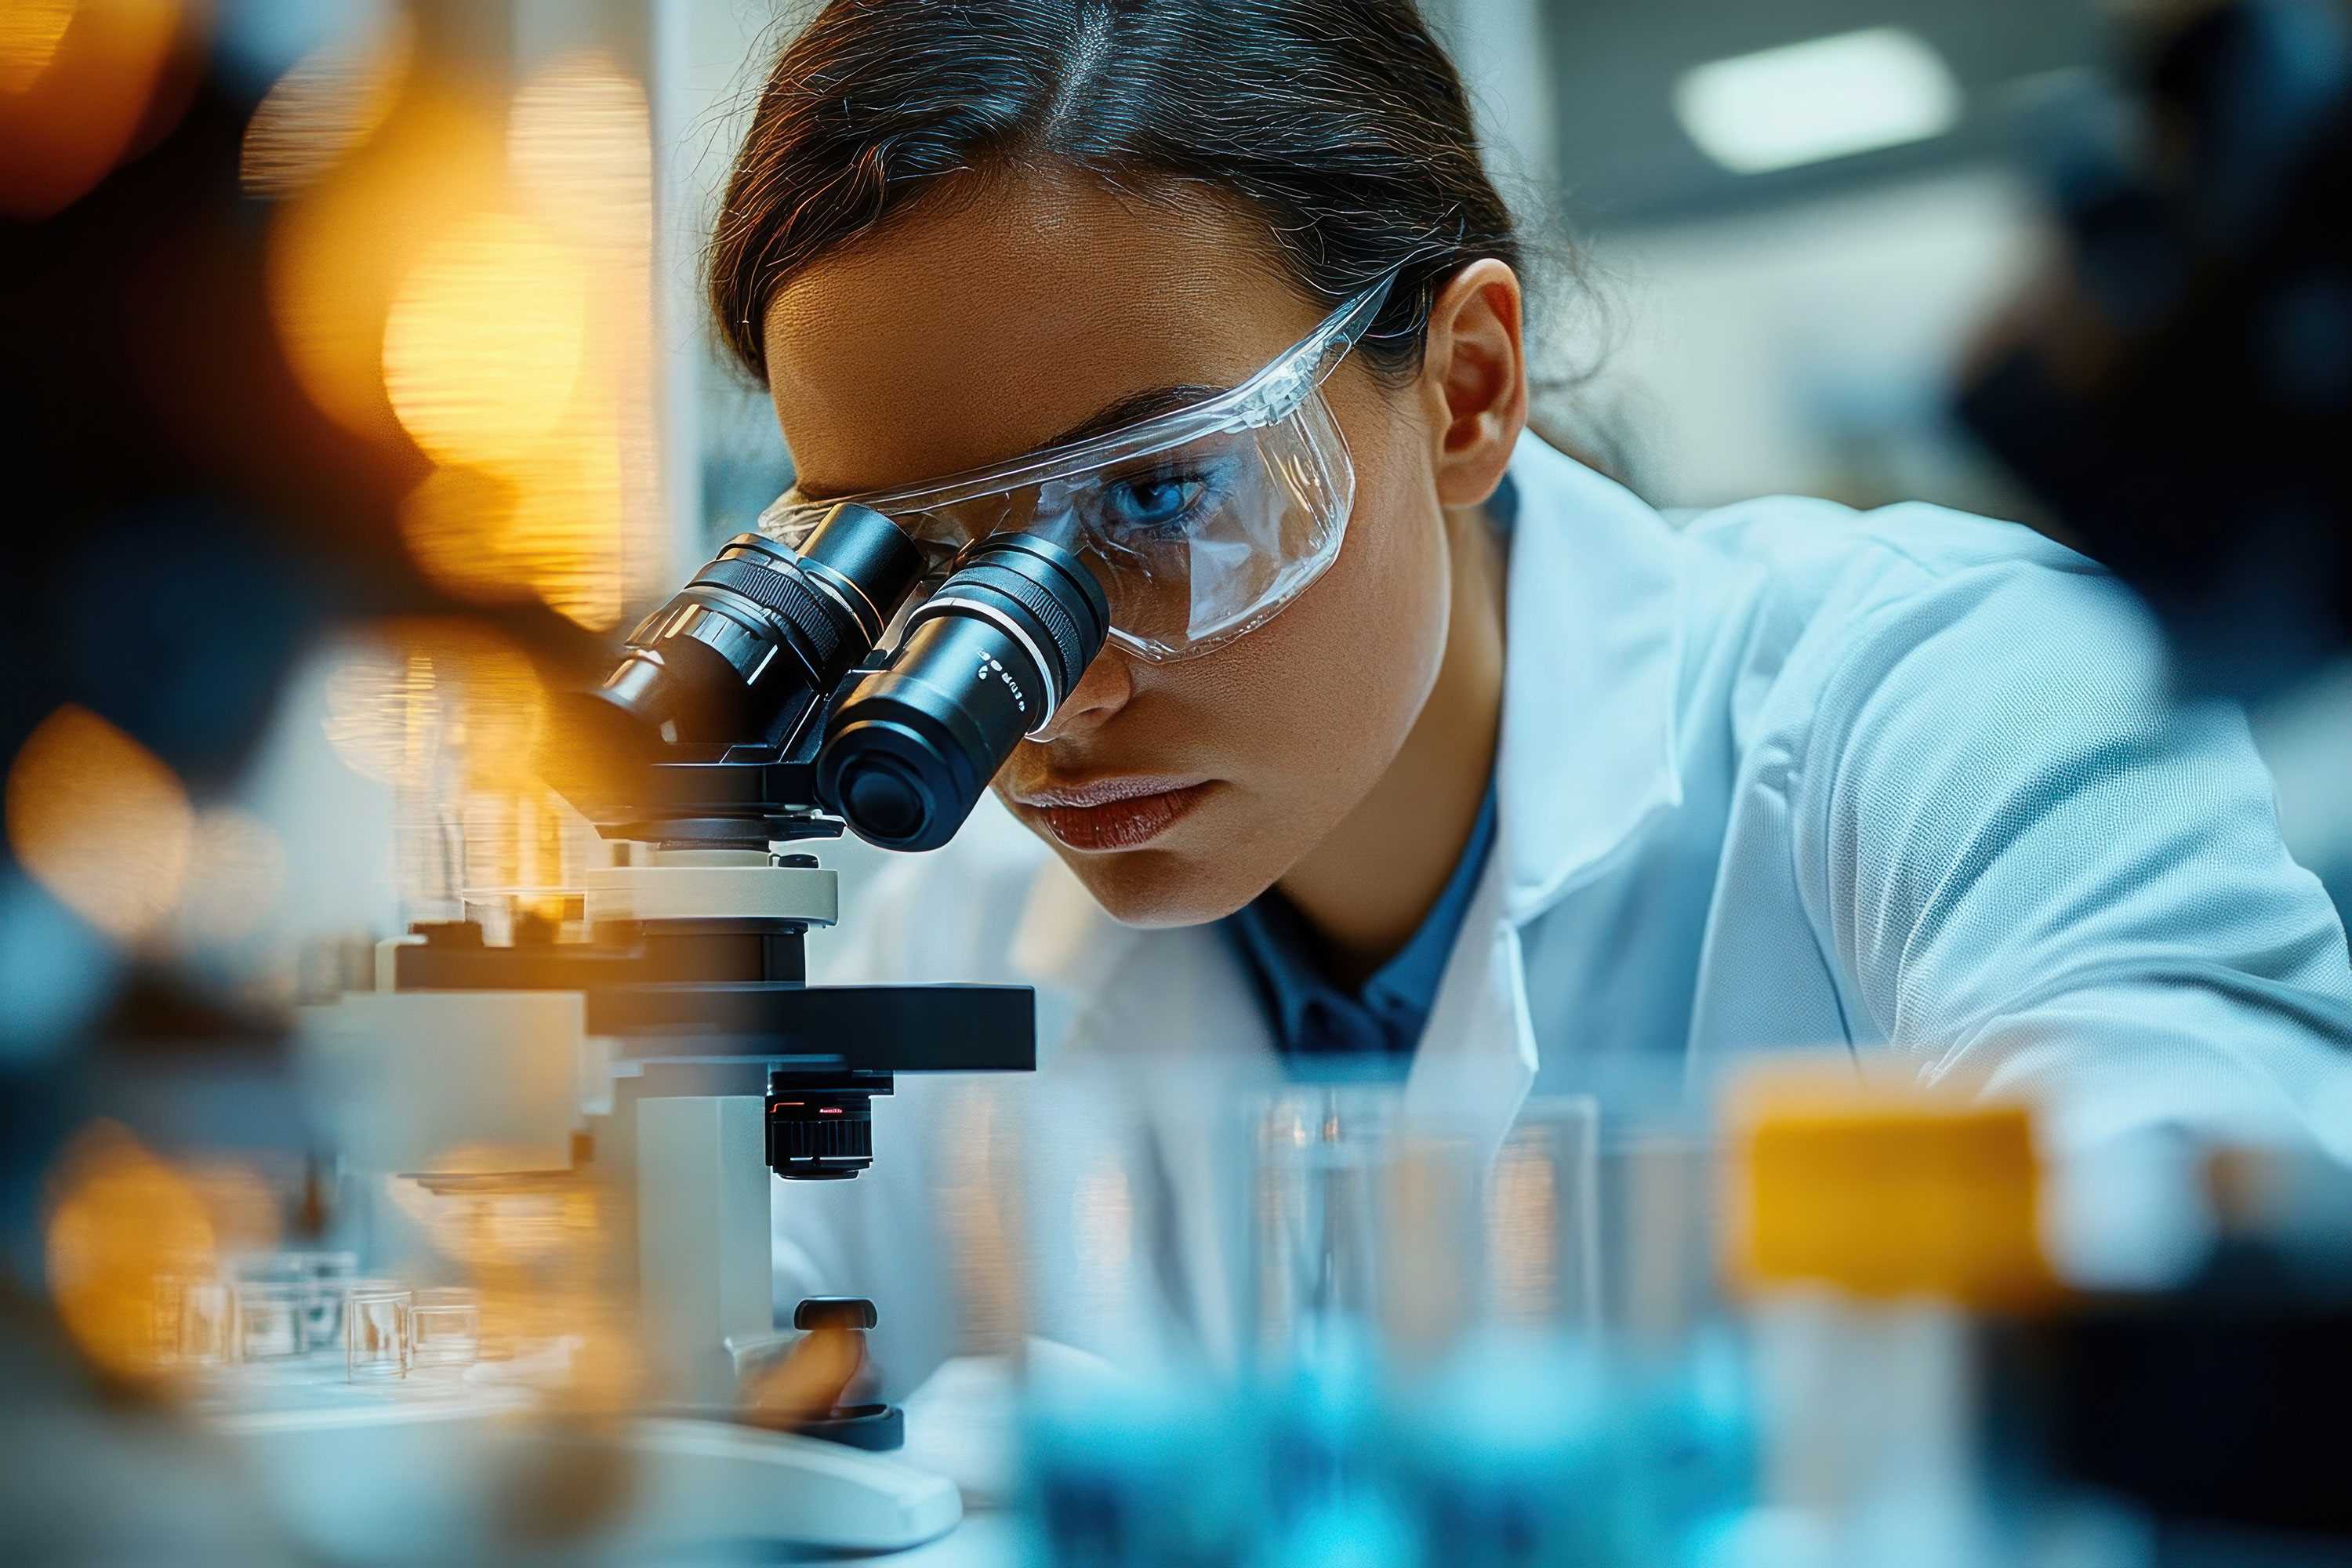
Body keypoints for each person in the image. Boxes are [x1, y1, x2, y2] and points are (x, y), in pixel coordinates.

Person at [709, 0, 2352, 1388]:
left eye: (1155, 499)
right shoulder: (957, 930)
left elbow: (2209, 1213)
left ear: (1466, 390)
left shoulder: (1932, 692)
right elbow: (706, 1386)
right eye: (915, 567)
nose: (1055, 704)